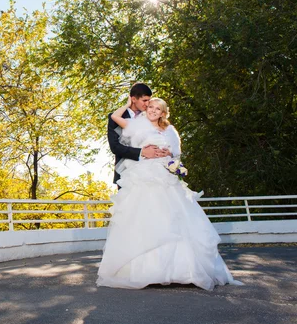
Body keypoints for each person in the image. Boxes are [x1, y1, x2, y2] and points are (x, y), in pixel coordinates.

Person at [97, 96, 242, 290]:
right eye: (150, 107)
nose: (153, 111)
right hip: (144, 173)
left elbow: (176, 153)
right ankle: (146, 271)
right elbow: (114, 117)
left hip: (165, 173)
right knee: (145, 215)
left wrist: (170, 158)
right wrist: (129, 103)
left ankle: (181, 271)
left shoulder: (169, 130)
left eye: (158, 109)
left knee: (175, 216)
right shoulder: (136, 125)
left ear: (163, 113)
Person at [107, 83, 169, 188]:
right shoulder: (118, 117)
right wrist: (142, 152)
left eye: (149, 100)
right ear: (133, 99)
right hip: (126, 173)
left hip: (154, 171)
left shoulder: (152, 115)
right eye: (144, 100)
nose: (147, 104)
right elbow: (115, 147)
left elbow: (163, 136)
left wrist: (167, 152)